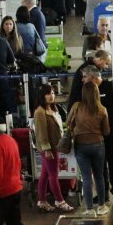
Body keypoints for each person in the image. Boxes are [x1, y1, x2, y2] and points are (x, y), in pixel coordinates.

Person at [69, 82, 112, 217]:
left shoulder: (76, 107)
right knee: (99, 176)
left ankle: (89, 209)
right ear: (97, 93)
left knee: (87, 178)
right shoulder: (102, 109)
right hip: (98, 145)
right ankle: (101, 206)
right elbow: (106, 131)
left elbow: (67, 122)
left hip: (80, 145)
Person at [32, 84, 73, 213]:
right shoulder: (40, 111)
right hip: (49, 148)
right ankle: (59, 200)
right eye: (48, 93)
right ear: (42, 95)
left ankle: (42, 200)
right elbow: (41, 133)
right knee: (53, 175)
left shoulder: (52, 109)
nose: (52, 96)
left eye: (53, 93)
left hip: (54, 146)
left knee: (45, 175)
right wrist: (47, 149)